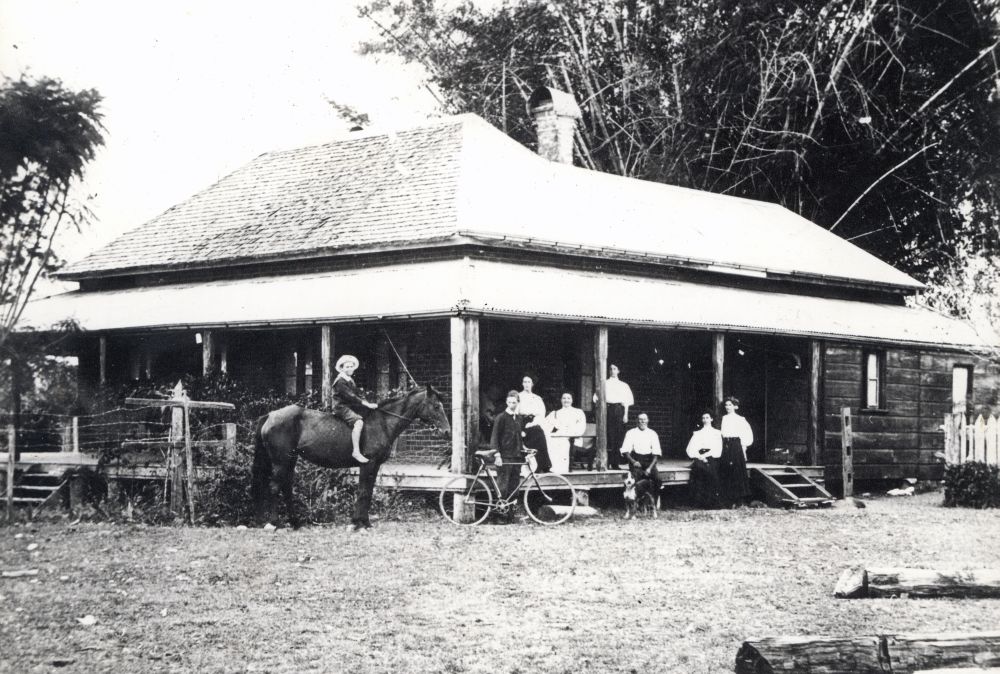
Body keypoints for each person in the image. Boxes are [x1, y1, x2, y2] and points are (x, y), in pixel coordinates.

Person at [331, 354, 379, 464]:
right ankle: (356, 452)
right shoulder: (340, 381)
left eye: (351, 366)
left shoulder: (350, 380)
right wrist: (365, 404)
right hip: (341, 407)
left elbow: (357, 393)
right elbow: (350, 396)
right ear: (342, 368)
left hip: (350, 406)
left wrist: (368, 403)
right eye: (347, 366)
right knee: (358, 423)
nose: (350, 368)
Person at [489, 390, 525, 501]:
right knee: (502, 486)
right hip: (504, 457)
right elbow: (494, 437)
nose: (511, 405)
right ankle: (499, 511)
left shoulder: (519, 418)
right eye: (509, 402)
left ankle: (510, 514)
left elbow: (518, 437)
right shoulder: (501, 418)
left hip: (516, 457)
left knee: (514, 486)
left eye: (514, 402)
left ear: (518, 402)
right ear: (506, 402)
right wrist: (497, 455)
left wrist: (524, 449)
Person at [719, 396, 754, 507]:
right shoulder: (724, 418)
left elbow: (746, 434)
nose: (728, 407)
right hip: (726, 445)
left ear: (735, 406)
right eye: (726, 405)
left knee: (736, 471)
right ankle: (728, 500)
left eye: (730, 405)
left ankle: (738, 500)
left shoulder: (740, 419)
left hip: (735, 445)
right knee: (726, 469)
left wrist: (743, 449)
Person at [686, 410, 723, 509]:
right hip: (699, 458)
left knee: (712, 472)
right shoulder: (697, 433)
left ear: (711, 419)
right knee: (699, 471)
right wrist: (700, 457)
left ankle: (711, 502)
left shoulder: (716, 433)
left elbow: (718, 448)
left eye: (707, 417)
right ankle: (699, 502)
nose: (705, 420)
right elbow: (690, 449)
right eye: (703, 418)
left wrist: (708, 457)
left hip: (712, 457)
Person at [543, 392, 587, 474]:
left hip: (573, 438)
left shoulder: (578, 412)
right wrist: (552, 429)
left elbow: (581, 427)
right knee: (550, 440)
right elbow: (545, 425)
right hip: (559, 436)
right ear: (561, 400)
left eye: (568, 398)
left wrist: (570, 433)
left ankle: (562, 470)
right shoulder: (556, 413)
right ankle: (553, 467)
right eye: (564, 398)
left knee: (563, 443)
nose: (566, 400)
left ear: (572, 400)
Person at [516, 375, 551, 473]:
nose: (526, 384)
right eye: (525, 382)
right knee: (536, 433)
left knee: (540, 434)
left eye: (529, 382)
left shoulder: (537, 398)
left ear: (532, 384)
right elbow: (516, 412)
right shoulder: (518, 396)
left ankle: (543, 465)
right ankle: (534, 466)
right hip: (521, 422)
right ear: (522, 383)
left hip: (534, 422)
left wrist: (533, 423)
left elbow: (541, 414)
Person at [619, 412, 662, 494]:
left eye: (644, 419)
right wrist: (633, 462)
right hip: (636, 461)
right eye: (640, 419)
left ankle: (653, 500)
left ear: (648, 421)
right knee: (636, 479)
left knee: (658, 479)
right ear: (637, 421)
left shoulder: (653, 434)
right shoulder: (631, 433)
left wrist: (649, 468)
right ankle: (637, 500)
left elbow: (656, 454)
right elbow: (625, 451)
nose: (642, 421)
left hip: (649, 462)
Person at [604, 364, 634, 469]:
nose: (612, 371)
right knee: (609, 436)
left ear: (618, 371)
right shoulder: (604, 383)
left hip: (619, 410)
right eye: (610, 369)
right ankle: (606, 463)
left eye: (614, 369)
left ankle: (615, 463)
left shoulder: (623, 385)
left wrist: (625, 415)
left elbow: (626, 402)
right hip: (607, 409)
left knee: (618, 436)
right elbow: (596, 398)